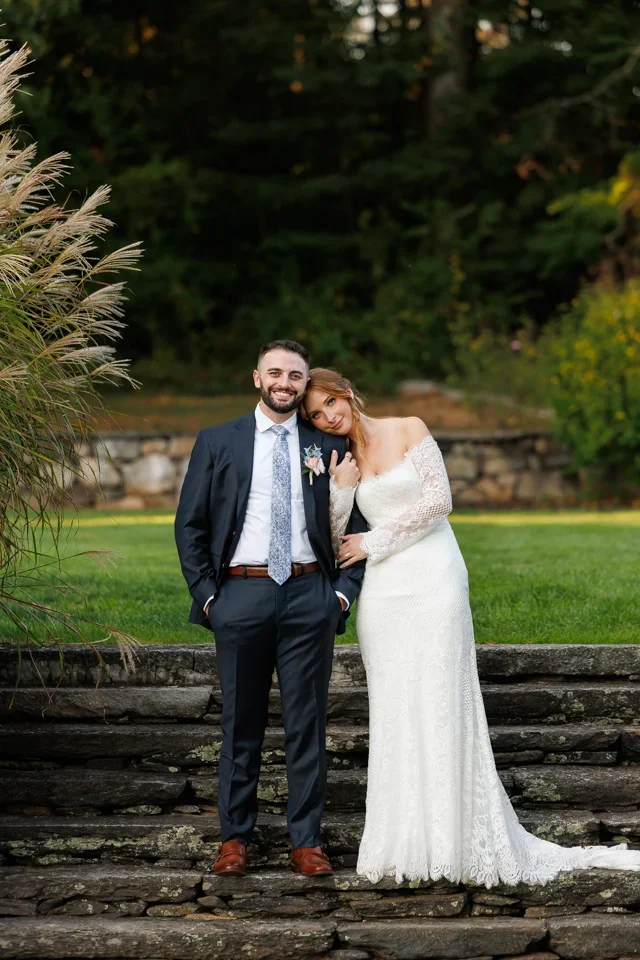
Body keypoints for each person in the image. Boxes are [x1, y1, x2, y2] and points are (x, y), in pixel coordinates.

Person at [303, 366, 640, 887]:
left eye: (330, 402)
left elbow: (440, 502)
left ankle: (455, 838)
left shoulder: (410, 427)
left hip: (435, 576)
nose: (328, 416)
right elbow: (333, 542)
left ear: (345, 392)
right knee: (396, 706)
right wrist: (342, 493)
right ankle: (405, 842)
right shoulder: (338, 462)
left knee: (441, 699)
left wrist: (376, 540)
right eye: (316, 414)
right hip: (385, 596)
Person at [175, 342, 366, 879]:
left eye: (296, 376)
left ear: (306, 385)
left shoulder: (326, 443)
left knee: (307, 724)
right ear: (257, 377)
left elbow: (359, 520)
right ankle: (234, 839)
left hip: (310, 596)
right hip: (241, 594)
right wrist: (210, 597)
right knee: (241, 725)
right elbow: (190, 526)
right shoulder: (218, 442)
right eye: (276, 373)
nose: (285, 382)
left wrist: (342, 594)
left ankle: (306, 841)